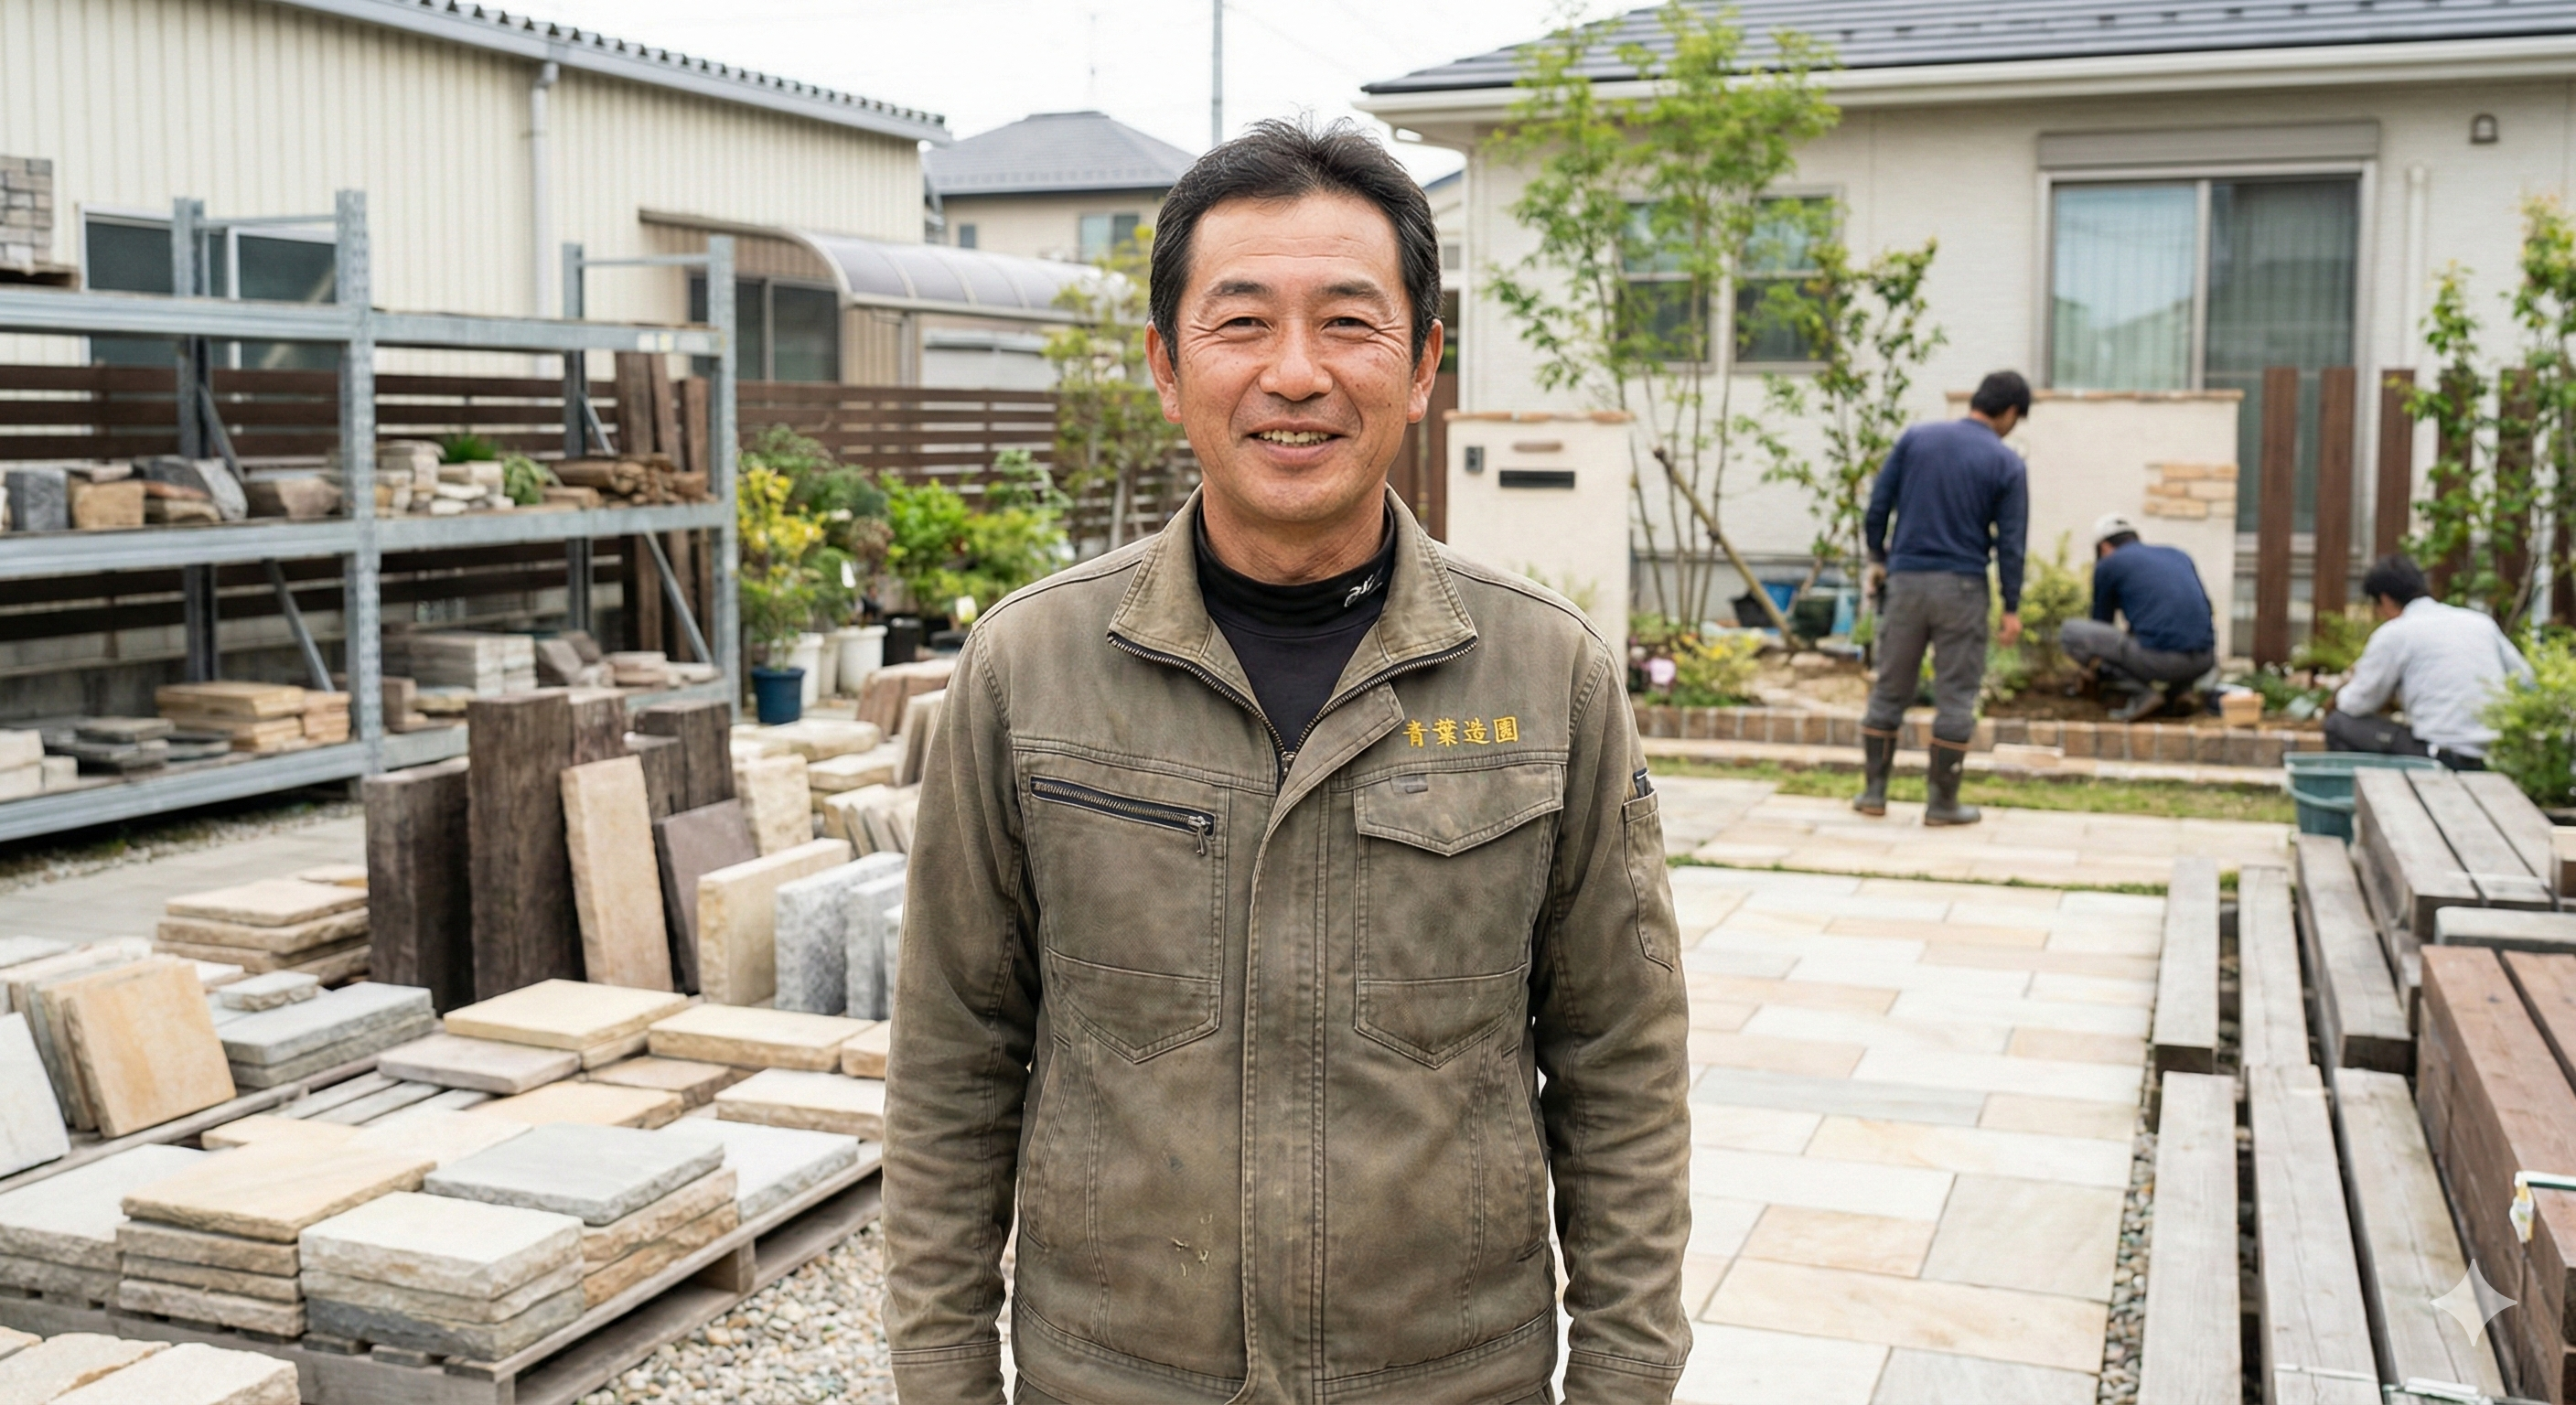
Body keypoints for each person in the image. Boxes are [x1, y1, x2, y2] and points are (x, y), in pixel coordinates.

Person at [883, 120, 1692, 1405]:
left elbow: (1621, 1066)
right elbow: (952, 1059)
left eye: (1350, 324)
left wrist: (1625, 1377)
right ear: (1166, 364)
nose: (1297, 373)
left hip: (1449, 1383)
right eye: (1243, 323)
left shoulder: (1550, 677)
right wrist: (942, 1377)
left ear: (1422, 365)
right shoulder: (1027, 670)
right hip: (1114, 1381)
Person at [1854, 370, 2033, 826]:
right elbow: (2011, 544)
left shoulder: (1917, 439)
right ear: (2010, 412)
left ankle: (1874, 793)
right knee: (1956, 695)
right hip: (1963, 589)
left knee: (1890, 688)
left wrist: (1878, 556)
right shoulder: (2006, 462)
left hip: (1906, 583)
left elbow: (1878, 506)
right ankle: (1942, 804)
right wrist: (2012, 606)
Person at [2325, 553, 2533, 769]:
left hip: (2440, 757)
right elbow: (2527, 681)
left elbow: (2356, 703)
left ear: (2385, 600)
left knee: (2338, 723)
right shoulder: (2481, 623)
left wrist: (2339, 691)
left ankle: (2372, 789)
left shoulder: (2395, 632)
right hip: (2497, 755)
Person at [2059, 512, 2217, 723]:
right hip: (2206, 660)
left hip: (2162, 662)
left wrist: (2095, 672)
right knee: (2163, 636)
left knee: (2071, 632)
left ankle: (2143, 694)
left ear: (2104, 547)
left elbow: (2101, 624)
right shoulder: (2178, 555)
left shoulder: (2109, 563)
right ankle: (2180, 692)